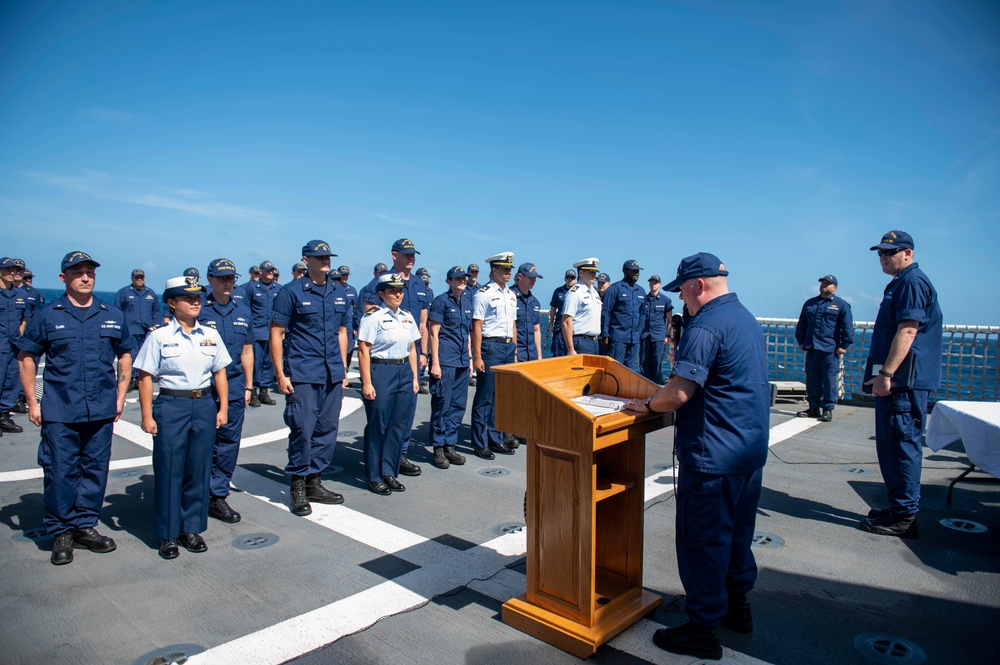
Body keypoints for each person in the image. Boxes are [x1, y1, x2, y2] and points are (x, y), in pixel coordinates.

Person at [624, 252, 769, 660]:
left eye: (683, 292)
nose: (681, 301)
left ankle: (702, 630)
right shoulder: (745, 318)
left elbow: (679, 393)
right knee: (738, 535)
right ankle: (737, 608)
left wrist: (647, 406)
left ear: (698, 286)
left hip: (713, 455)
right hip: (748, 450)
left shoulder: (705, 325)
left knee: (704, 540)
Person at [16, 251, 133, 565]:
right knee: (61, 472)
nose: (85, 277)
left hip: (100, 410)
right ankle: (61, 531)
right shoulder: (47, 314)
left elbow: (125, 354)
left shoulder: (112, 314)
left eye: (90, 272)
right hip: (60, 410)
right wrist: (31, 401)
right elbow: (27, 357)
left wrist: (121, 394)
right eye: (78, 272)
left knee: (94, 471)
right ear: (63, 278)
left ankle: (85, 525)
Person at [135, 275, 230, 559]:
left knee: (198, 470)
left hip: (203, 404)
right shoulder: (159, 336)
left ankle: (191, 528)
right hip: (172, 405)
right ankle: (167, 533)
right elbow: (145, 376)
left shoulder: (210, 335)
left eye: (198, 297)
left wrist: (223, 408)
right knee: (169, 470)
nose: (195, 302)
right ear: (172, 303)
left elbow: (220, 372)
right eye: (188, 298)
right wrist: (146, 415)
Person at [860, 231, 942, 539]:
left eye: (889, 252)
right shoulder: (899, 283)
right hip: (898, 379)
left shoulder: (911, 283)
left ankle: (905, 516)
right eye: (879, 253)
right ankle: (898, 507)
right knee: (891, 445)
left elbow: (908, 331)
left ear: (907, 252)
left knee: (901, 444)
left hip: (904, 383)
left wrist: (887, 375)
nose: (882, 257)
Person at [270, 239, 350, 516]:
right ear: (306, 260)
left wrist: (342, 369)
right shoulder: (290, 292)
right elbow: (277, 333)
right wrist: (281, 374)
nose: (325, 261)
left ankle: (315, 481)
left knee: (327, 429)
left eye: (327, 257)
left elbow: (342, 332)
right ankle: (298, 486)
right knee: (302, 429)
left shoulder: (338, 292)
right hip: (303, 371)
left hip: (331, 373)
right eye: (319, 258)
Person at [361, 239, 429, 476]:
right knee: (381, 419)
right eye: (406, 254)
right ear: (394, 255)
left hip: (409, 356)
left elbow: (422, 323)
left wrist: (423, 354)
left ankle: (399, 456)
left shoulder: (419, 283)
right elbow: (370, 316)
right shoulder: (379, 281)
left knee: (404, 414)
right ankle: (377, 468)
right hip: (384, 359)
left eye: (413, 254)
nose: (411, 258)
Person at [198, 259, 254, 523]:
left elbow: (247, 350)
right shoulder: (199, 310)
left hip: (233, 385)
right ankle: (198, 493)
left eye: (231, 278)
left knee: (229, 443)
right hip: (202, 386)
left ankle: (217, 495)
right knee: (201, 443)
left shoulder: (242, 311)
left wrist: (249, 386)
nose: (228, 282)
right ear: (210, 280)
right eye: (222, 278)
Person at [357, 273, 422, 495]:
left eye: (400, 291)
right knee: (379, 425)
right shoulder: (373, 316)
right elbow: (364, 349)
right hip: (382, 370)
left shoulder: (407, 317)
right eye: (393, 291)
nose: (397, 294)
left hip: (404, 371)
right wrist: (367, 382)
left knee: (398, 425)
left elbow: (412, 348)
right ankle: (374, 476)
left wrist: (414, 377)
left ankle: (389, 472)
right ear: (381, 294)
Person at [471, 252, 518, 460]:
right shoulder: (483, 294)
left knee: (501, 397)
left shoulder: (511, 294)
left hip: (507, 347)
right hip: (491, 347)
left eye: (510, 269)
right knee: (485, 397)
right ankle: (480, 442)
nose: (508, 272)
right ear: (494, 270)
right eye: (504, 269)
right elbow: (477, 326)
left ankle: (495, 437)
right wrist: (477, 356)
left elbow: (513, 324)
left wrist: (514, 349)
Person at [427, 266, 472, 469]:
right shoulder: (441, 301)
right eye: (458, 278)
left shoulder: (468, 301)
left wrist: (470, 360)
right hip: (445, 359)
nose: (462, 281)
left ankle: (449, 444)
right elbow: (433, 333)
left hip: (462, 359)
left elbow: (468, 333)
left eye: (464, 278)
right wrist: (434, 362)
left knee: (458, 404)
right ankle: (438, 447)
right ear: (449, 282)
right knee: (442, 403)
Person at [795, 274, 854, 422]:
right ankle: (813, 407)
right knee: (812, 379)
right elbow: (802, 324)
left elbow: (847, 327)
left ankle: (828, 408)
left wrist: (843, 345)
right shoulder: (810, 304)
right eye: (822, 283)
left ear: (835, 288)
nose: (824, 286)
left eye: (827, 284)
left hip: (829, 349)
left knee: (829, 380)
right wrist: (801, 341)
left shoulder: (841, 305)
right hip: (812, 347)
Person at [114, 269, 162, 392]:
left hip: (146, 331)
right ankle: (130, 380)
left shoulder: (150, 293)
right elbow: (117, 310)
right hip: (130, 330)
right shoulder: (124, 293)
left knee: (145, 356)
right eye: (136, 278)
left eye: (141, 277)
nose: (139, 279)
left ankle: (141, 378)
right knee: (130, 356)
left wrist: (156, 326)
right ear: (132, 279)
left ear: (144, 278)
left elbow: (156, 311)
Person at [244, 260, 281, 407]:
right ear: (261, 272)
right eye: (268, 270)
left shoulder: (278, 289)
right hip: (256, 331)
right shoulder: (252, 289)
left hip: (272, 333)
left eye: (272, 270)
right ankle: (252, 391)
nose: (271, 273)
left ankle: (264, 392)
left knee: (268, 363)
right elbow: (246, 310)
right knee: (255, 363)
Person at [601, 259, 646, 370]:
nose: (636, 274)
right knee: (615, 369)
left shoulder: (641, 291)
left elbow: (643, 315)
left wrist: (639, 334)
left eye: (637, 271)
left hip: (633, 339)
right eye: (633, 271)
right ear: (625, 272)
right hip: (618, 337)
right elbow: (606, 312)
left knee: (629, 370)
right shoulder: (614, 289)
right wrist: (605, 334)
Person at [0, 257, 27, 433]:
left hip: (14, 344)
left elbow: (24, 317)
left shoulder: (20, 294)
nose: (12, 273)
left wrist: (20, 335)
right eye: (8, 269)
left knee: (11, 380)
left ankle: (3, 415)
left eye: (15, 270)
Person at [561, 258, 602, 355]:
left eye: (595, 272)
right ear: (581, 273)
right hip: (581, 342)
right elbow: (566, 322)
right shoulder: (575, 292)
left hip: (595, 342)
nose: (594, 275)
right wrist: (570, 349)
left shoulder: (594, 292)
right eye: (590, 272)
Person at [639, 274, 673, 383]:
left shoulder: (665, 300)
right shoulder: (643, 300)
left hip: (658, 336)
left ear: (659, 284)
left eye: (655, 283)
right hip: (645, 335)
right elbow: (639, 318)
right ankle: (645, 386)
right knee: (644, 362)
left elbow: (670, 320)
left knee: (657, 362)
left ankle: (657, 387)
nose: (653, 285)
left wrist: (667, 336)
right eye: (651, 282)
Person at [513, 263, 544, 362]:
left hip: (532, 355)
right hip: (516, 354)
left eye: (535, 278)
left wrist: (539, 356)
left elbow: (536, 330)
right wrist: (515, 355)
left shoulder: (535, 302)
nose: (533, 281)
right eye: (530, 277)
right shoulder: (509, 298)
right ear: (520, 276)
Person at [548, 269, 577, 358]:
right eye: (568, 277)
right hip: (559, 328)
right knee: (558, 354)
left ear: (576, 279)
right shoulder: (558, 291)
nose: (570, 280)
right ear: (565, 279)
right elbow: (553, 308)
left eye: (572, 278)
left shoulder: (577, 292)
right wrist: (551, 324)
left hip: (573, 327)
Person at [336, 265, 359, 370]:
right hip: (336, 323)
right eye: (342, 275)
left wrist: (356, 326)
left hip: (349, 324)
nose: (344, 277)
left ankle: (346, 371)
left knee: (349, 350)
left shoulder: (352, 290)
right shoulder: (334, 288)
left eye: (346, 275)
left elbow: (356, 308)